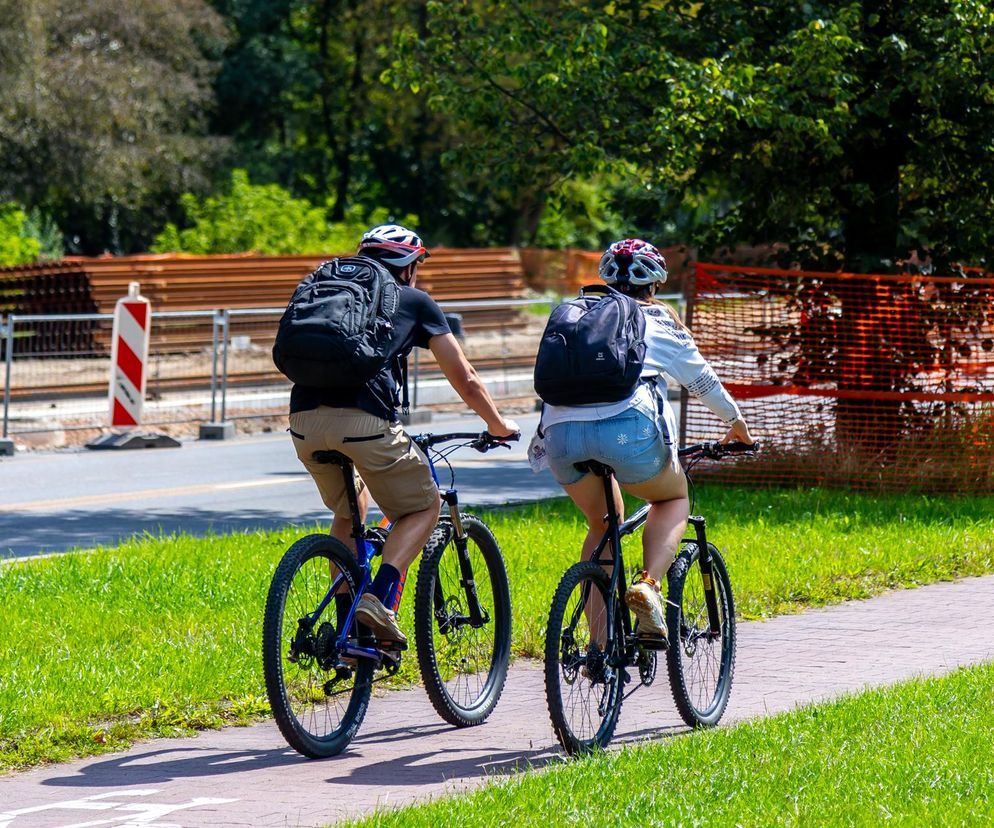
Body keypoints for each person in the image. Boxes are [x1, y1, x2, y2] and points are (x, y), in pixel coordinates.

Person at [288, 224, 520, 646]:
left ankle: (348, 630)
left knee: (350, 509)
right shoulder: (414, 300)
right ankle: (378, 600)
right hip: (365, 423)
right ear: (409, 267)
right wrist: (498, 424)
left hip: (303, 421)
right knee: (423, 506)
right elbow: (465, 378)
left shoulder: (328, 290)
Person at [541, 238, 754, 641]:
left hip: (558, 434)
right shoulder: (657, 320)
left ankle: (599, 648)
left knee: (603, 523)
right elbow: (703, 381)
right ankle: (649, 586)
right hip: (627, 430)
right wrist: (736, 424)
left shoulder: (573, 316)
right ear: (653, 286)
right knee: (671, 498)